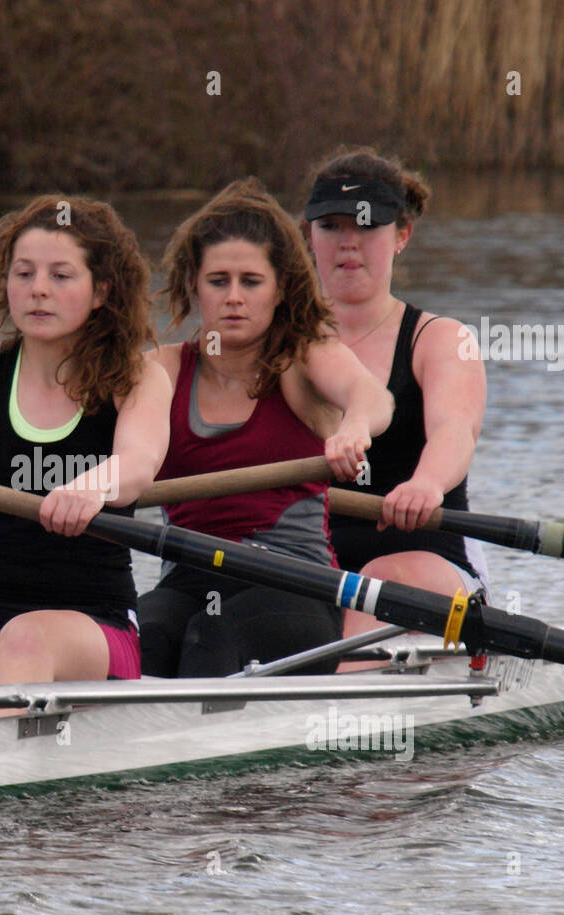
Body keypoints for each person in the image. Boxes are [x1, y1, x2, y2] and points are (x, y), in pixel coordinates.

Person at [138, 178, 394, 678]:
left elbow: (372, 396)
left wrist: (354, 428)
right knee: (137, 639)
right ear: (194, 284)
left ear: (280, 288)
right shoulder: (161, 370)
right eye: (218, 281)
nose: (234, 297)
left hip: (294, 583)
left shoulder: (303, 357)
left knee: (210, 637)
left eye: (251, 282)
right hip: (189, 579)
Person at [0, 195, 171, 690]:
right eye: (24, 273)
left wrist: (94, 485)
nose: (38, 290)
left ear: (101, 291)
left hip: (97, 622)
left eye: (60, 276)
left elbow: (138, 461)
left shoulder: (138, 378)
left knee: (26, 638)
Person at [302, 148, 488, 643]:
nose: (348, 244)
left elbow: (455, 429)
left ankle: (341, 701)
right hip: (309, 566)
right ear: (308, 237)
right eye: (331, 226)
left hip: (424, 559)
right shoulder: (281, 345)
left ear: (401, 235)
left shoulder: (442, 340)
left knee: (379, 581)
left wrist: (426, 483)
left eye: (366, 227)